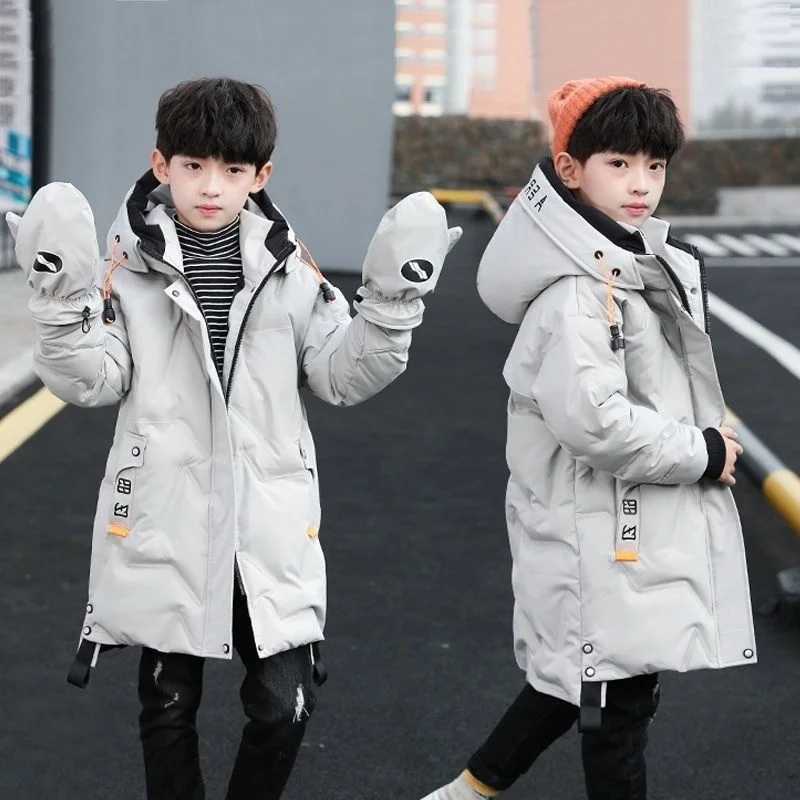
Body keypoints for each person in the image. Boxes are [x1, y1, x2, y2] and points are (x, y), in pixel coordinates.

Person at [7, 76, 461, 800]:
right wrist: (61, 307)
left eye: (232, 169)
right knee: (167, 708)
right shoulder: (127, 270)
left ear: (261, 174)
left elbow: (341, 375)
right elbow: (95, 379)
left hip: (265, 524)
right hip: (166, 514)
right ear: (161, 165)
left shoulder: (292, 270)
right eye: (193, 166)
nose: (211, 186)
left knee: (284, 707)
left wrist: (391, 309)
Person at [420, 77, 755, 800]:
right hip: (595, 532)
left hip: (611, 526)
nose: (641, 184)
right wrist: (701, 451)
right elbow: (596, 422)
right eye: (619, 163)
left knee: (583, 682)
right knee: (615, 704)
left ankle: (469, 791)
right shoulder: (579, 290)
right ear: (570, 170)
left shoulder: (617, 264)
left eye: (655, 166)